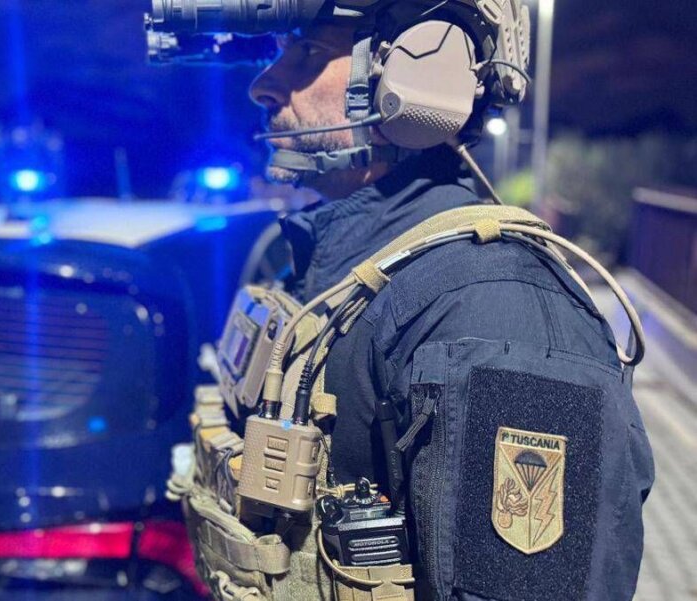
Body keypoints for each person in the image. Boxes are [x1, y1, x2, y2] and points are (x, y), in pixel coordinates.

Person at [159, 2, 655, 599]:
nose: (263, 86)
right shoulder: (348, 263)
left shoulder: (495, 308)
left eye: (308, 53)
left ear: (416, 76)